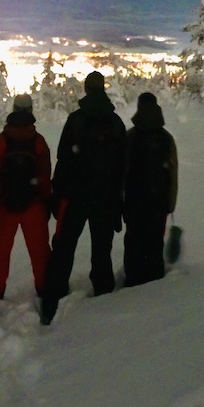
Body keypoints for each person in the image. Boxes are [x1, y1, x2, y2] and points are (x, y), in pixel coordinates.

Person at [41, 70, 127, 325]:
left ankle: (52, 299)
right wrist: (117, 200)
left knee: (65, 247)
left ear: (87, 89)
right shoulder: (115, 123)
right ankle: (102, 296)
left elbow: (63, 159)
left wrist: (58, 194)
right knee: (102, 249)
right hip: (105, 198)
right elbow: (123, 165)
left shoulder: (76, 120)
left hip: (76, 196)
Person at [0, 94, 53, 305]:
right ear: (31, 110)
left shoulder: (1, 140)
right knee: (40, 253)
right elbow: (44, 175)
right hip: (33, 205)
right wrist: (46, 201)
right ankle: (46, 291)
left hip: (5, 205)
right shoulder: (38, 141)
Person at [122, 91, 179, 287]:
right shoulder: (166, 138)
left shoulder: (129, 137)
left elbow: (122, 172)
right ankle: (154, 283)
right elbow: (173, 174)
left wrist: (121, 201)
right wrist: (170, 203)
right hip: (158, 201)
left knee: (134, 243)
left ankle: (132, 281)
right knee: (155, 243)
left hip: (133, 201)